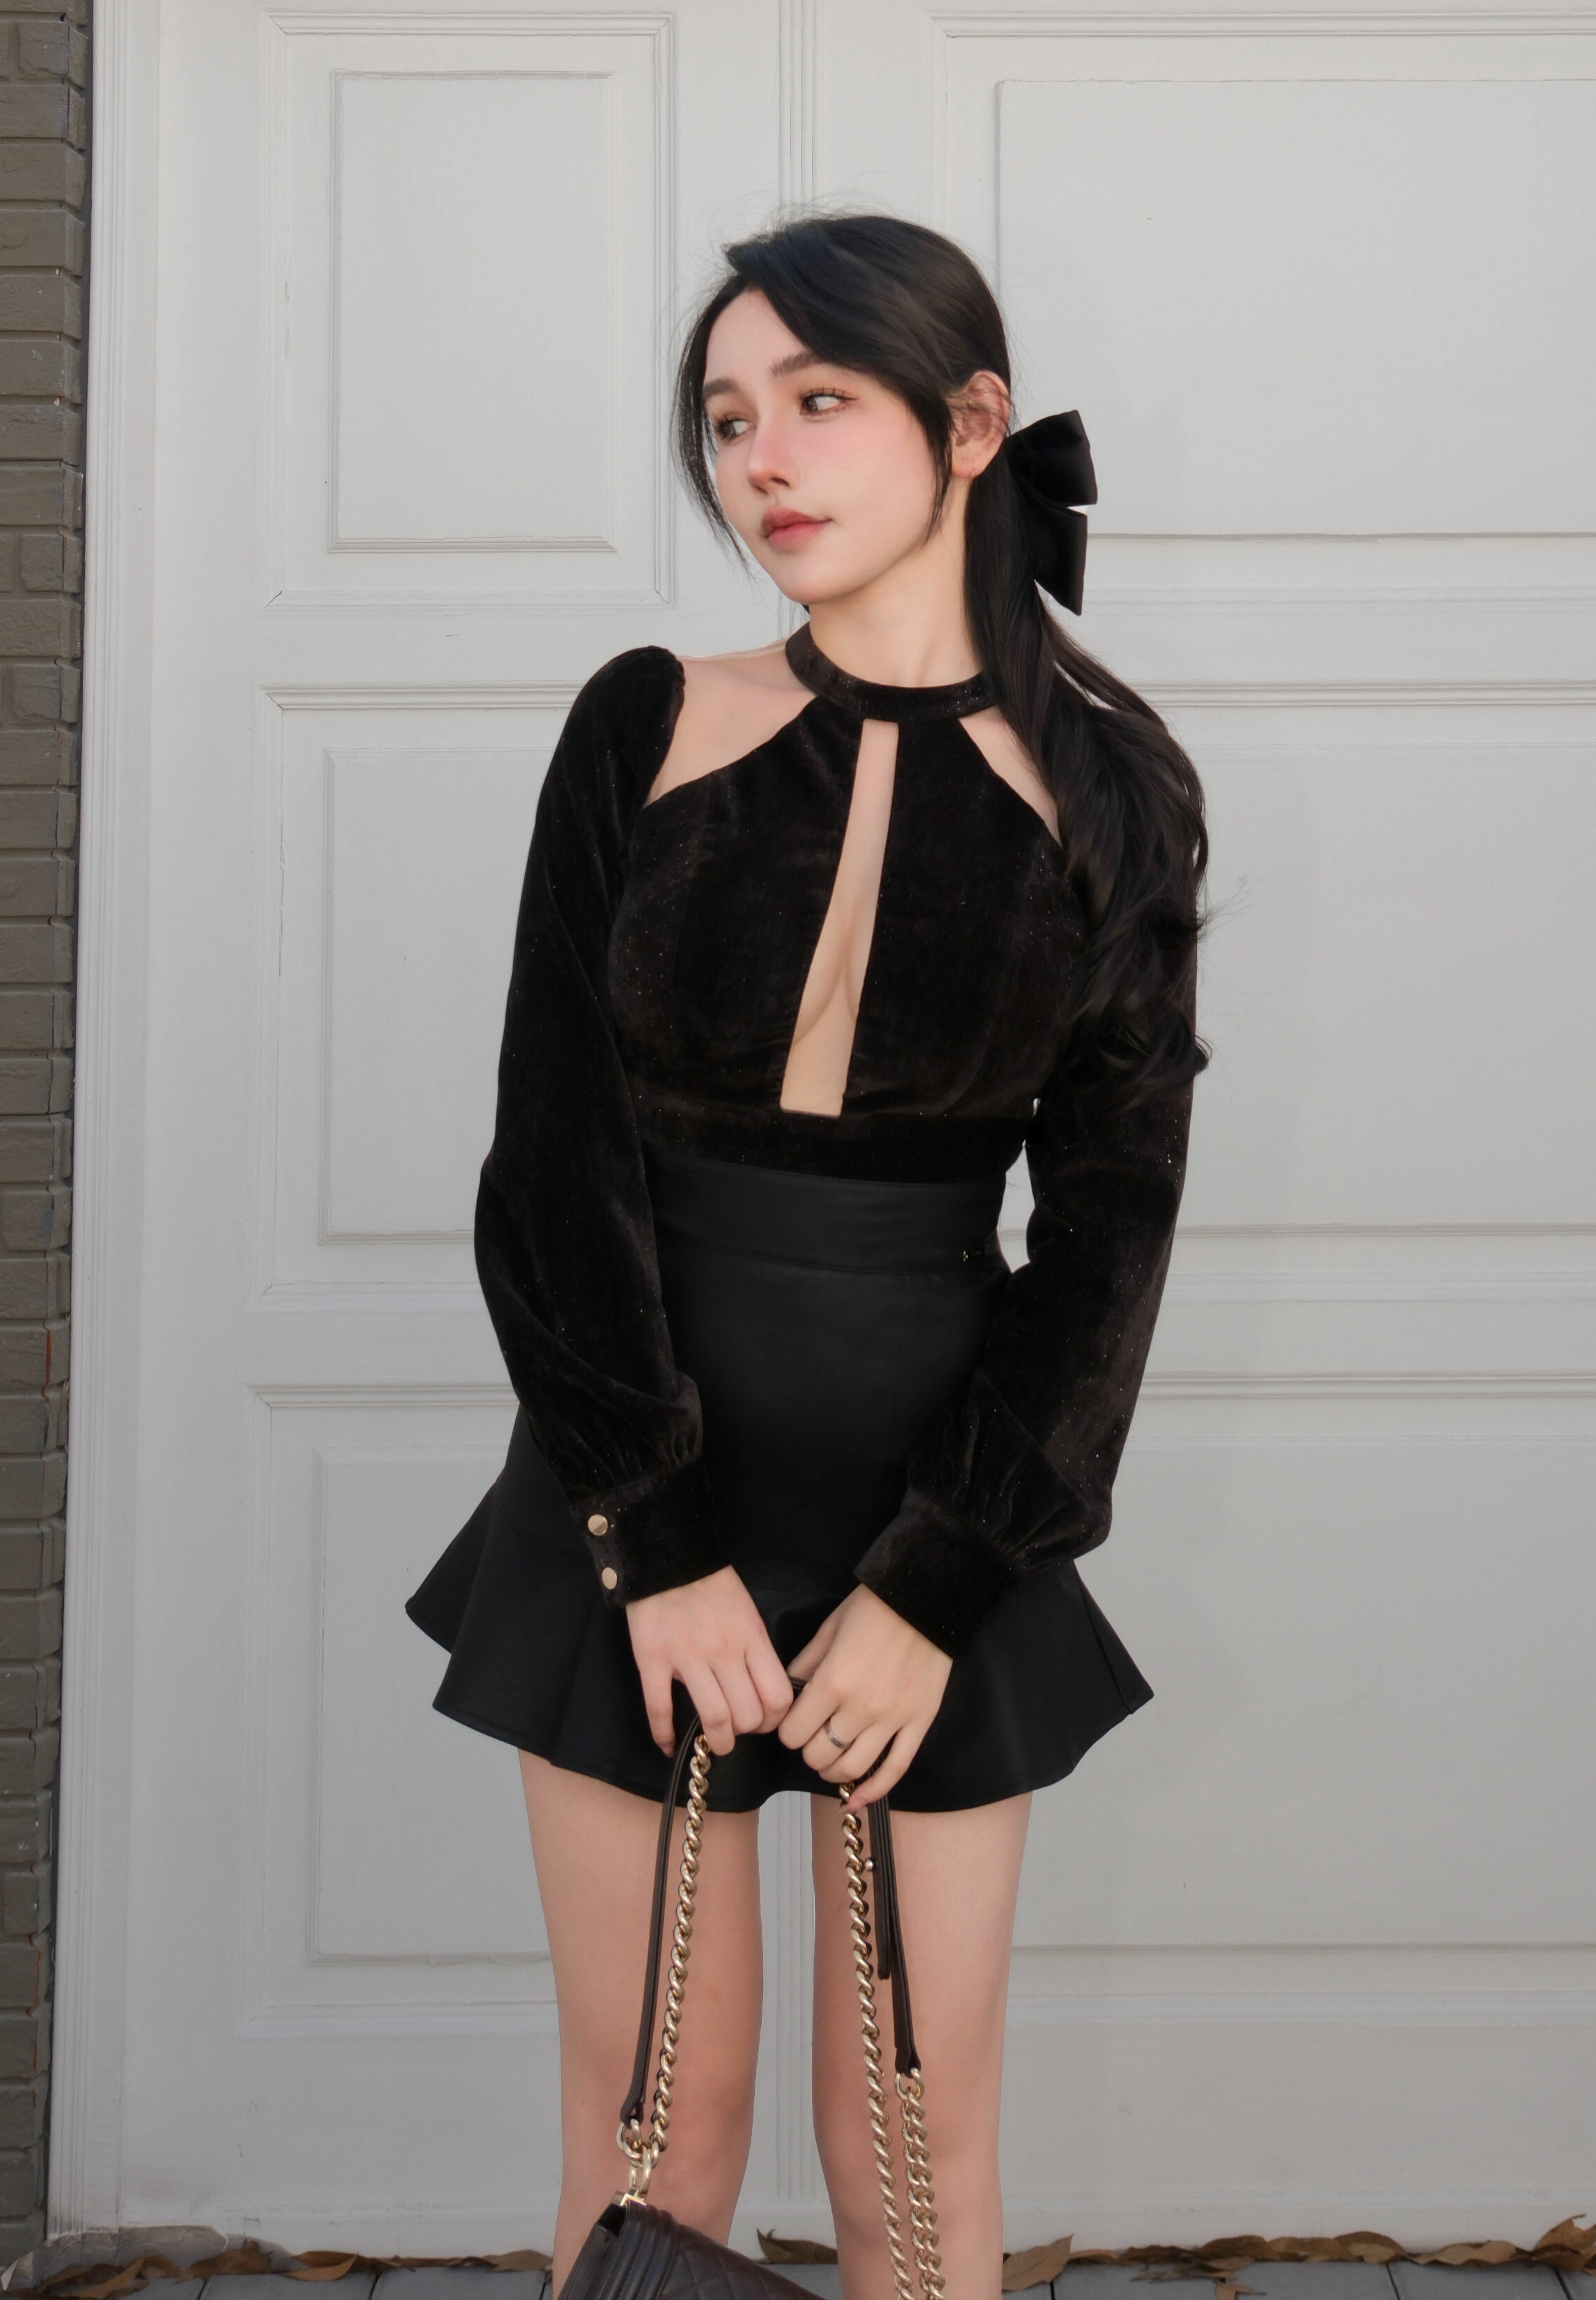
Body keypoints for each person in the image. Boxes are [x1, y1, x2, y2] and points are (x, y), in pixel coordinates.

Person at [407, 212, 1210, 2300]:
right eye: (727, 418)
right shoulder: (647, 721)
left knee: (914, 2152)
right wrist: (655, 1539)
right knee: (655, 2134)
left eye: (817, 401)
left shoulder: (1113, 793)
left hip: (934, 1520)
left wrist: (940, 1586)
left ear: (972, 425)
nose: (760, 456)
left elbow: (1107, 1241)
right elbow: (548, 1169)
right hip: (631, 1508)